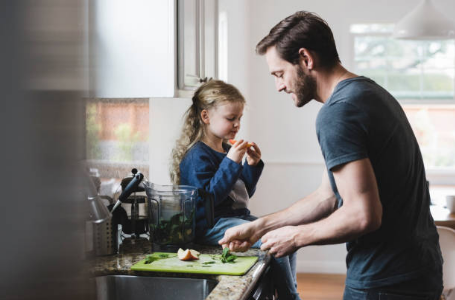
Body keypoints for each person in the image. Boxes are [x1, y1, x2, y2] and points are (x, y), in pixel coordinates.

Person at [219, 11, 443, 300]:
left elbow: (363, 215)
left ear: (305, 59)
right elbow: (327, 196)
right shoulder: (367, 93)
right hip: (417, 270)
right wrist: (260, 227)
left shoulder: (338, 112)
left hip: (385, 281)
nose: (279, 86)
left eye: (279, 74)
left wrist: (296, 237)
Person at [170, 79, 301, 300]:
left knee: (286, 233)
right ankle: (290, 297)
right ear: (205, 116)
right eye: (231, 118)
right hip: (211, 225)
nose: (237, 124)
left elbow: (241, 193)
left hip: (235, 218)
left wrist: (251, 165)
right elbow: (208, 199)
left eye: (239, 118)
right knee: (272, 239)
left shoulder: (227, 149)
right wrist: (231, 162)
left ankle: (288, 290)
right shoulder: (197, 155)